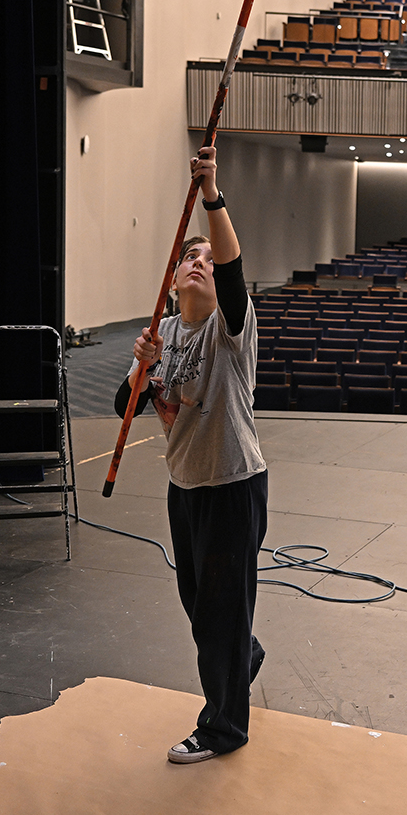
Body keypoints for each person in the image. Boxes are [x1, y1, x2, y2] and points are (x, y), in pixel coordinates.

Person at [115, 145, 268, 764]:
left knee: (220, 615)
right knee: (199, 607)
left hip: (233, 484)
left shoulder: (229, 329)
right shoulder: (165, 331)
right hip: (185, 485)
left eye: (207, 257)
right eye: (190, 257)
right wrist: (143, 375)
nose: (200, 263)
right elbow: (124, 399)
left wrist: (212, 193)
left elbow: (232, 272)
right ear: (174, 277)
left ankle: (224, 727)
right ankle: (244, 657)